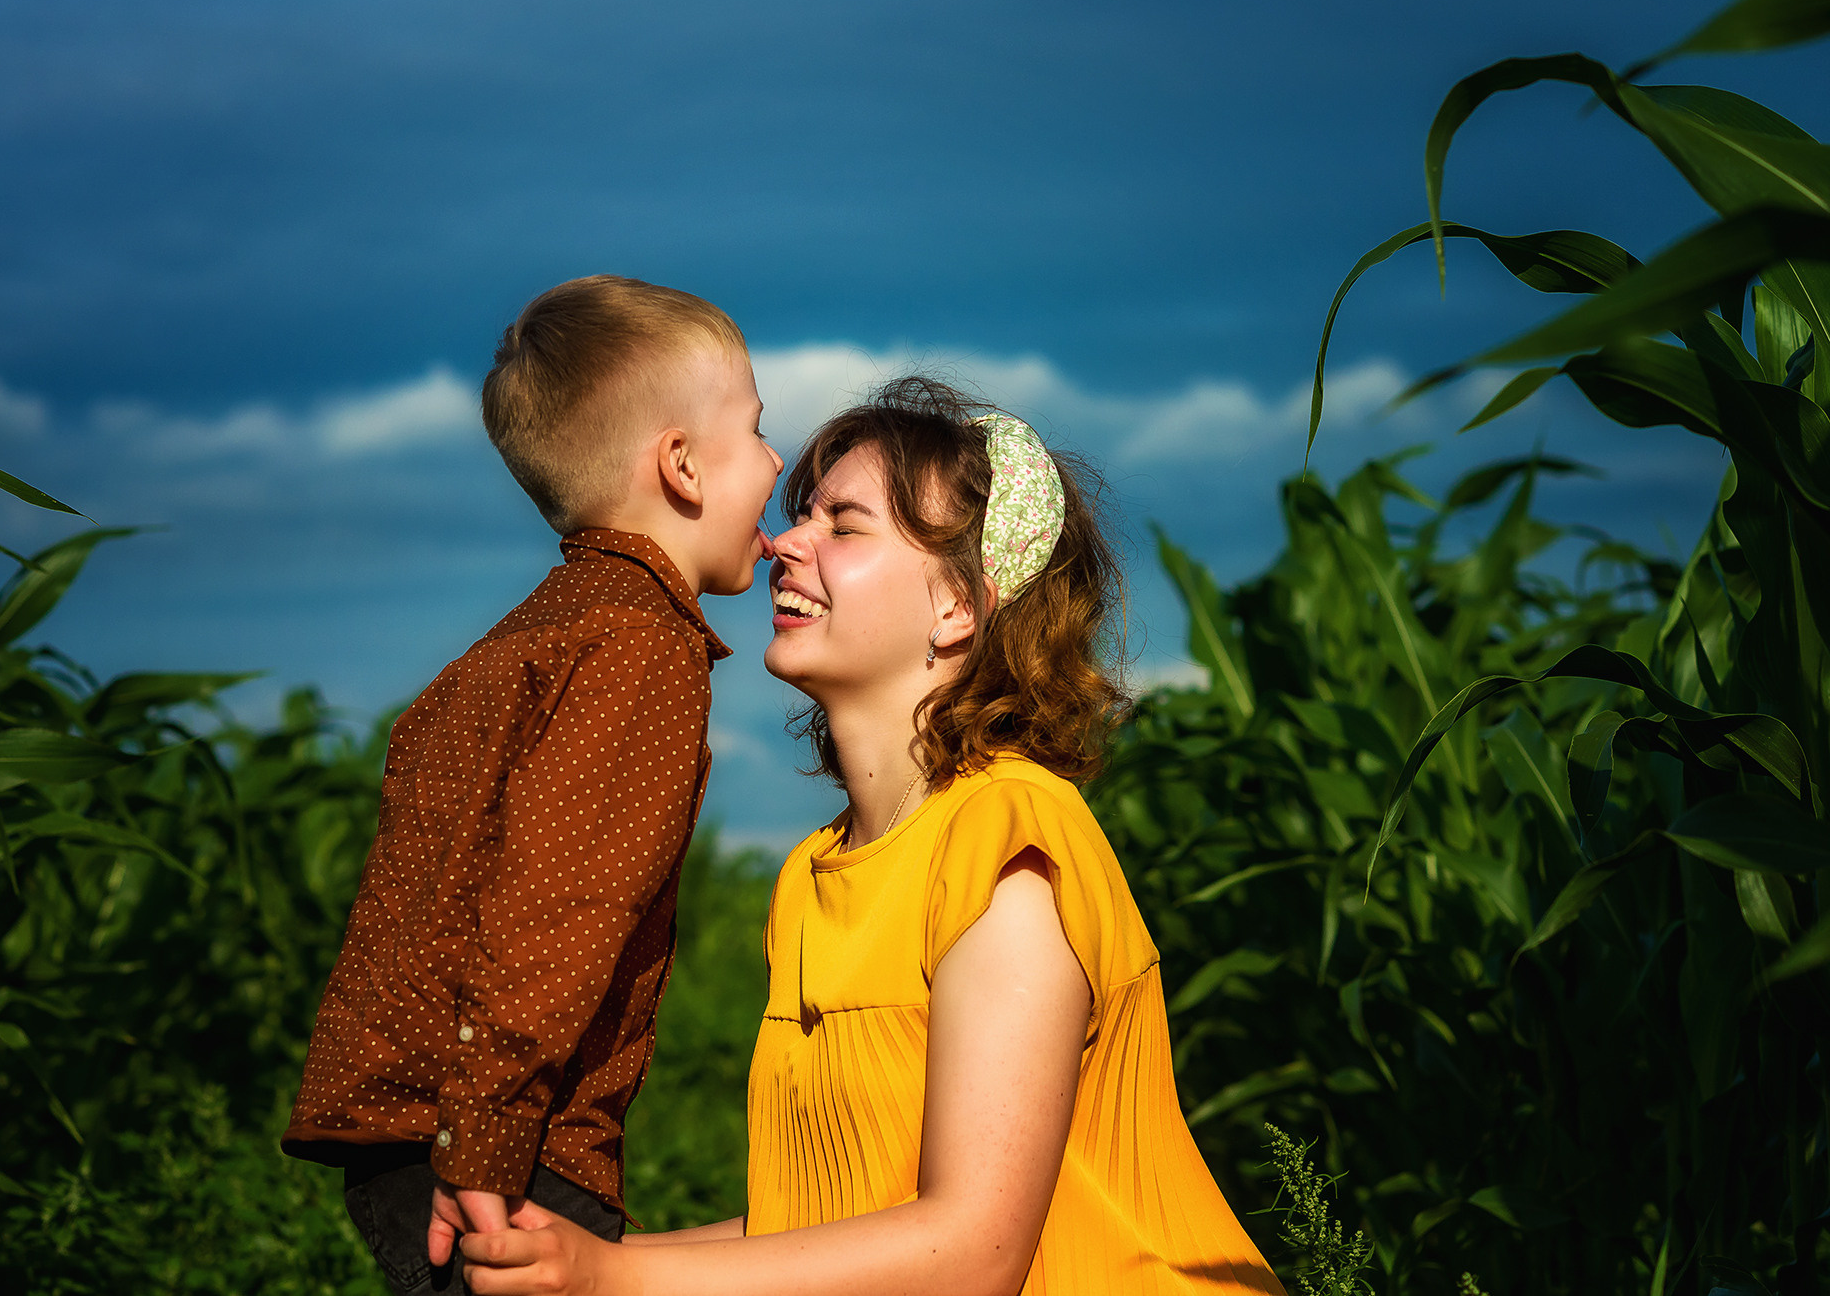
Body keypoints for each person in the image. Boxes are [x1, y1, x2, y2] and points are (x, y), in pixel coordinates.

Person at [460, 376, 1285, 1295]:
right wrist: (558, 1256)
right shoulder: (813, 874)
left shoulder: (1008, 838)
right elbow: (821, 1226)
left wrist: (613, 1280)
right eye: (800, 514)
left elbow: (968, 1252)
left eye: (843, 526)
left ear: (958, 607)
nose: (785, 540)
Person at [280, 274, 784, 1295]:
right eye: (759, 430)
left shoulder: (527, 637)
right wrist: (487, 1137)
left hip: (418, 1120)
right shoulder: (642, 646)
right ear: (682, 466)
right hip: (498, 1148)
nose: (778, 462)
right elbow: (558, 908)